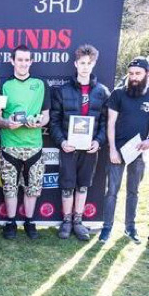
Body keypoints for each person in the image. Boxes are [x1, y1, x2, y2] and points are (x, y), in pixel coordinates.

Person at [99, 57, 149, 244]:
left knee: (133, 191)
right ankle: (107, 227)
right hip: (117, 151)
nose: (134, 77)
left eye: (138, 73)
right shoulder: (118, 94)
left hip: (138, 151)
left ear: (147, 74)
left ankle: (130, 227)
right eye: (131, 74)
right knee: (111, 191)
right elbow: (110, 123)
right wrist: (112, 149)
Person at [49, 44, 109, 241]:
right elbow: (54, 122)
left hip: (89, 149)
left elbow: (105, 123)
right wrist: (62, 141)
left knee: (83, 185)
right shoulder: (62, 91)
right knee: (67, 185)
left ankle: (78, 221)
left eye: (88, 63)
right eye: (82, 63)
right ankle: (66, 221)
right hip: (69, 147)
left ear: (94, 64)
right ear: (75, 64)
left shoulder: (102, 92)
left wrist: (98, 141)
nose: (85, 67)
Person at [0, 45, 50, 240]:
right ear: (12, 61)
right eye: (20, 60)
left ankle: (29, 221)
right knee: (9, 187)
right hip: (10, 144)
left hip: (34, 145)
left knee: (33, 187)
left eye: (27, 60)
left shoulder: (40, 84)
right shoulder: (4, 85)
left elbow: (46, 115)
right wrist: (7, 123)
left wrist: (39, 122)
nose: (23, 63)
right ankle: (10, 222)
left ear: (31, 62)